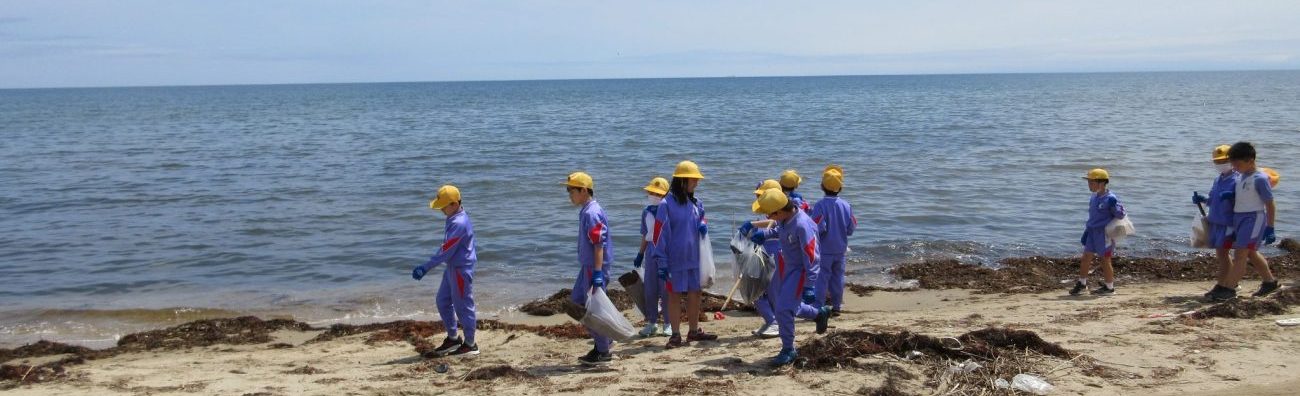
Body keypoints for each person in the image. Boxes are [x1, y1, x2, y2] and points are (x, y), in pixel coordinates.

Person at [750, 189, 832, 366]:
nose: (769, 217)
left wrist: (809, 284)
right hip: (789, 268)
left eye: (770, 214)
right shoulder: (787, 218)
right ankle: (819, 314)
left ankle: (789, 349)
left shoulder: (803, 225)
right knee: (790, 306)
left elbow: (813, 256)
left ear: (779, 211)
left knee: (782, 309)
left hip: (802, 272)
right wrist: (765, 234)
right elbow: (780, 230)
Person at [651, 160, 719, 348]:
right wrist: (661, 261)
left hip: (694, 258)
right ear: (682, 181)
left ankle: (694, 331)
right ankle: (675, 335)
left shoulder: (696, 202)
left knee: (695, 293)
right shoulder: (666, 204)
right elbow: (658, 234)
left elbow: (701, 217)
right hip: (674, 260)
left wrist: (703, 223)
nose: (696, 183)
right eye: (693, 180)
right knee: (674, 295)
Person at [411, 185, 479, 357]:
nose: (441, 209)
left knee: (463, 306)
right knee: (442, 301)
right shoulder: (453, 217)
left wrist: (425, 267)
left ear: (455, 204)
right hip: (452, 267)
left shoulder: (459, 223)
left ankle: (470, 344)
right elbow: (447, 251)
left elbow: (445, 250)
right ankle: (453, 338)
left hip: (461, 270)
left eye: (443, 206)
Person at [1209, 142, 1280, 301]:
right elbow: (1244, 197)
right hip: (1239, 218)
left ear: (1250, 160)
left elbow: (1269, 203)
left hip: (1253, 218)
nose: (1233, 166)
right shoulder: (1241, 176)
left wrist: (1270, 227)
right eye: (1232, 163)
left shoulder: (1260, 178)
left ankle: (1228, 288)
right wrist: (1230, 196)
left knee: (1240, 254)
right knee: (1251, 253)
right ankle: (1270, 282)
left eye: (1237, 163)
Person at [563, 172, 616, 366]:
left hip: (594, 267)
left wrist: (597, 272)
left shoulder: (592, 213)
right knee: (578, 303)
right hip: (588, 266)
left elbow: (598, 244)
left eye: (571, 190)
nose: (569, 194)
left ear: (584, 190)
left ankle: (603, 350)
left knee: (589, 308)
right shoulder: (587, 210)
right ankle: (604, 342)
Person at [738, 179, 783, 338]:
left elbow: (775, 224)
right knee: (756, 291)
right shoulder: (769, 212)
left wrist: (753, 224)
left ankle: (776, 323)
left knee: (772, 292)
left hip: (777, 255)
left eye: (761, 195)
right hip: (764, 254)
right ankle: (770, 320)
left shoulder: (781, 211)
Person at [1071, 168, 1126, 296]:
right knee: (1085, 258)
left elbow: (1121, 215)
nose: (1089, 185)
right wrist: (1087, 230)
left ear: (1101, 182)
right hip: (1092, 232)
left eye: (1091, 182)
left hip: (1105, 234)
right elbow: (1093, 215)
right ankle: (1082, 284)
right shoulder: (1094, 196)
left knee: (1105, 260)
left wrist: (1115, 206)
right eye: (1089, 182)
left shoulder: (1111, 198)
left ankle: (1109, 288)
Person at [810, 165, 856, 315]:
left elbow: (818, 227)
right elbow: (851, 228)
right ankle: (837, 306)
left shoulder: (820, 205)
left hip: (824, 249)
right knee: (838, 278)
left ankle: (818, 307)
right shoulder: (846, 205)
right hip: (840, 248)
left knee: (821, 278)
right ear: (840, 187)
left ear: (822, 186)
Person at [636, 177, 672, 338]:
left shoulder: (669, 210)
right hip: (651, 250)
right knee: (650, 288)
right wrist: (640, 253)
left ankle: (668, 323)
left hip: (666, 251)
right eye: (651, 192)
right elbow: (645, 235)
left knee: (666, 289)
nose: (652, 195)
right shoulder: (646, 212)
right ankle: (652, 322)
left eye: (656, 193)